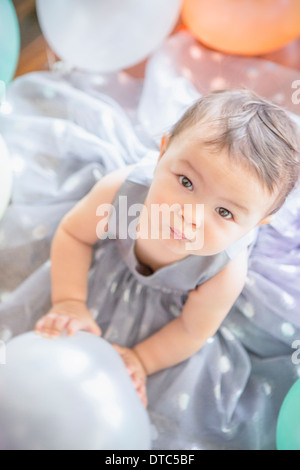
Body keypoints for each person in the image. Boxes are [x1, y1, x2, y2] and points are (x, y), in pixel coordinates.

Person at [34, 88, 300, 411]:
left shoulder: (225, 271)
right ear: (163, 152)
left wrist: (141, 361)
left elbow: (191, 330)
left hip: (179, 296)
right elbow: (74, 234)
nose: (190, 217)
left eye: (224, 212)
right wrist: (69, 300)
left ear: (256, 224)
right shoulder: (122, 196)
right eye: (186, 182)